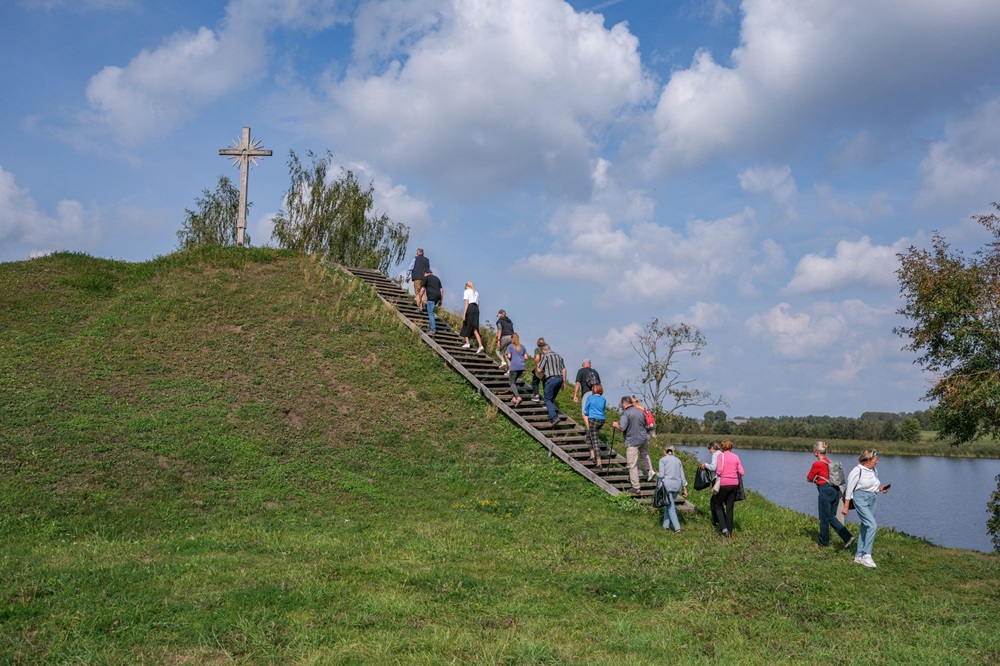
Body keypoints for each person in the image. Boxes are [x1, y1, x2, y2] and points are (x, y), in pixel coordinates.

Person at [843, 449, 891, 568]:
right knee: (872, 525)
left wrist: (880, 488)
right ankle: (866, 555)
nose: (877, 462)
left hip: (872, 499)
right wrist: (846, 507)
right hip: (860, 499)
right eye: (875, 460)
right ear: (868, 460)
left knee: (866, 525)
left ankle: (858, 556)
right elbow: (849, 489)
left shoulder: (873, 470)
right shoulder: (857, 470)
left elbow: (872, 485)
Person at [806, 441, 854, 549]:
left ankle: (823, 544)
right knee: (831, 517)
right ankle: (847, 537)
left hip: (826, 491)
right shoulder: (830, 462)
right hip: (836, 491)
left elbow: (809, 478)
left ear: (816, 451)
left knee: (824, 519)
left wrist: (816, 479)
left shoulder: (817, 464)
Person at [612, 396, 648, 495]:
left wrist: (616, 425)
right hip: (643, 439)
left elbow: (622, 427)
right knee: (638, 460)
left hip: (632, 441)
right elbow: (645, 424)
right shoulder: (640, 411)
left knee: (632, 465)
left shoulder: (625, 413)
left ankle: (636, 487)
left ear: (624, 403)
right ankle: (637, 477)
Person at [712, 440, 744, 538]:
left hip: (724, 484)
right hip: (734, 484)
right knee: (730, 508)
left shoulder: (721, 456)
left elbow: (719, 472)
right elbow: (742, 472)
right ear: (731, 447)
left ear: (722, 447)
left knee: (717, 504)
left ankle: (724, 528)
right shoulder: (736, 457)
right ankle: (729, 532)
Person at [657, 445, 688, 534]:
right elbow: (682, 475)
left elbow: (662, 475)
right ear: (673, 451)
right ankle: (665, 526)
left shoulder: (663, 460)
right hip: (677, 486)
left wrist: (655, 473)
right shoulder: (678, 460)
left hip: (667, 486)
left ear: (665, 451)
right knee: (669, 505)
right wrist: (685, 488)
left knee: (671, 507)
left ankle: (677, 529)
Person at [536, 344, 567, 426]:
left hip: (551, 379)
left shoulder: (546, 356)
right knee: (552, 398)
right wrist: (564, 382)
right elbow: (564, 369)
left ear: (544, 350)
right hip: (559, 378)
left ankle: (554, 417)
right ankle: (552, 413)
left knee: (547, 399)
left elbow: (539, 369)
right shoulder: (559, 356)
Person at [631, 396, 656, 482]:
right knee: (644, 453)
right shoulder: (645, 409)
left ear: (634, 402)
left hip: (639, 434)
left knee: (635, 452)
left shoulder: (636, 410)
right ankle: (650, 470)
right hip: (647, 434)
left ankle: (639, 470)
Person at [583, 384, 607, 470]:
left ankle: (599, 462)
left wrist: (587, 413)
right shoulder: (603, 399)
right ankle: (592, 455)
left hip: (593, 419)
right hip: (601, 420)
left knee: (594, 440)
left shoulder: (590, 397)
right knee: (589, 435)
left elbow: (586, 409)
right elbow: (603, 409)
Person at [700, 441, 722, 528]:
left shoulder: (715, 455)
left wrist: (705, 465)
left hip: (715, 479)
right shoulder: (721, 454)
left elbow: (713, 467)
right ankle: (720, 520)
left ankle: (716, 521)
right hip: (722, 479)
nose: (709, 451)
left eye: (709, 448)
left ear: (713, 447)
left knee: (714, 501)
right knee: (719, 500)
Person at [505, 332, 530, 406]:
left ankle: (518, 397)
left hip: (514, 366)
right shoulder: (522, 347)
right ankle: (514, 398)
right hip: (522, 366)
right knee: (514, 381)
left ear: (512, 339)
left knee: (511, 382)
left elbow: (509, 356)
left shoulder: (510, 346)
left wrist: (513, 361)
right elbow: (526, 357)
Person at [459, 281, 484, 353]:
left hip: (470, 307)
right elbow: (478, 303)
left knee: (466, 324)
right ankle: (480, 345)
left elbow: (466, 302)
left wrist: (464, 314)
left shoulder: (467, 291)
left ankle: (467, 343)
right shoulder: (476, 292)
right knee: (475, 328)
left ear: (467, 286)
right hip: (476, 309)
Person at [418, 268, 443, 335]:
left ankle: (432, 329)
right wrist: (441, 300)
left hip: (431, 296)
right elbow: (441, 290)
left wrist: (419, 297)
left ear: (425, 273)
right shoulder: (437, 278)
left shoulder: (426, 278)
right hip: (437, 297)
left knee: (431, 313)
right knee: (429, 307)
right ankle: (426, 307)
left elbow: (423, 289)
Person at [530, 337, 546, 402]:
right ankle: (546, 399)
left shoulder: (537, 349)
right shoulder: (546, 350)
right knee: (545, 384)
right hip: (546, 369)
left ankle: (536, 395)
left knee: (535, 382)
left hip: (539, 369)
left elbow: (537, 358)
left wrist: (536, 367)